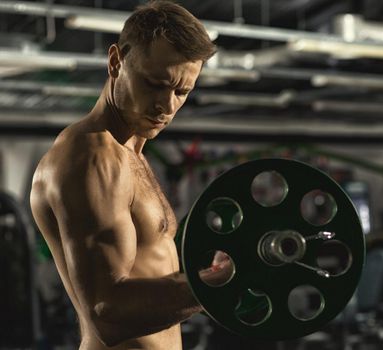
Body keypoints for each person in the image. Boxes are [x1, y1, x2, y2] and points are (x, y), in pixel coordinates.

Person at [29, 1, 232, 349]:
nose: (167, 107)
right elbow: (107, 313)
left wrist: (211, 273)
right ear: (115, 62)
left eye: (182, 92)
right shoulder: (91, 157)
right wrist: (214, 285)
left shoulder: (130, 153)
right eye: (155, 84)